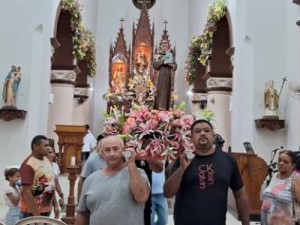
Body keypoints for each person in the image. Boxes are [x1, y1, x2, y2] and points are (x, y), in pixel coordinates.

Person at [164, 119, 250, 225]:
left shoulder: (228, 160)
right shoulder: (182, 160)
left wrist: (246, 223)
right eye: (197, 131)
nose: (203, 133)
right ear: (191, 138)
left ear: (213, 136)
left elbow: (240, 194)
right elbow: (168, 193)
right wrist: (182, 169)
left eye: (206, 130)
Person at [74, 135, 150, 225]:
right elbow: (82, 214)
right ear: (101, 153)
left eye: (116, 149)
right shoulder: (90, 180)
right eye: (107, 150)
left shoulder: (138, 174)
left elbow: (142, 197)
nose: (112, 154)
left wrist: (131, 163)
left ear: (123, 150)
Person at [19, 135, 59, 219]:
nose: (48, 148)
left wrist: (55, 204)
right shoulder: (28, 164)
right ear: (35, 147)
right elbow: (26, 192)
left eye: (49, 145)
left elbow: (50, 184)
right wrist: (37, 216)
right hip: (31, 212)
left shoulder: (46, 160)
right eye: (45, 145)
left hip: (46, 209)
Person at [261, 150, 300, 225]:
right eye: (279, 160)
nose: (281, 163)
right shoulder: (275, 176)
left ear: (293, 165)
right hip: (267, 220)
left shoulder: (296, 178)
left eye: (285, 162)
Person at [77, 134, 106, 202]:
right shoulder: (93, 158)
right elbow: (82, 179)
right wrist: (80, 200)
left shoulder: (113, 159)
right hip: (94, 196)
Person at [153, 40, 177, 110]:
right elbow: (155, 65)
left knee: (167, 92)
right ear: (160, 46)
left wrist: (172, 65)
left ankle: (166, 108)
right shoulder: (158, 55)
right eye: (163, 46)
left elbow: (175, 66)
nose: (165, 47)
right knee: (160, 92)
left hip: (168, 76)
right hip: (159, 76)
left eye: (166, 46)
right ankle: (159, 108)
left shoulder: (170, 55)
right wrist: (163, 60)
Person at [47, 139, 64, 208]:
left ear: (54, 154)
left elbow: (56, 183)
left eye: (51, 152)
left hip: (49, 200)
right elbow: (49, 187)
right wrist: (56, 205)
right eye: (46, 152)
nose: (48, 154)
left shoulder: (55, 166)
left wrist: (61, 195)